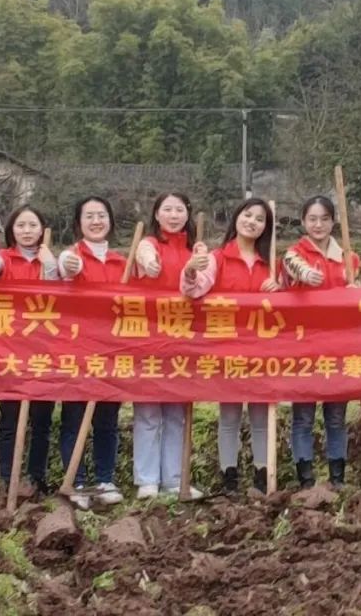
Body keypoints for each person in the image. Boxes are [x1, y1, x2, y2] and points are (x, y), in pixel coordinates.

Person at [182, 197, 280, 494]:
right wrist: (190, 270)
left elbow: (287, 304)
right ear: (236, 217)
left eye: (260, 219)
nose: (252, 222)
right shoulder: (217, 258)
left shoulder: (271, 263)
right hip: (227, 349)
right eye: (248, 215)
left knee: (262, 416)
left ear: (266, 227)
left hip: (263, 351)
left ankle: (263, 475)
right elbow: (194, 290)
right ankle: (229, 477)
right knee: (229, 416)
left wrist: (279, 289)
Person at [0, 205, 58, 497]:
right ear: (11, 230)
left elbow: (61, 293)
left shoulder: (51, 261)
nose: (27, 231)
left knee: (42, 421)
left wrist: (50, 266)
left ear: (42, 229)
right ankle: (10, 477)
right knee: (10, 418)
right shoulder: (4, 258)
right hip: (10, 354)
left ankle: (37, 477)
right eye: (21, 225)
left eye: (33, 225)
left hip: (44, 353)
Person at [282, 196, 359, 489]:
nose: (318, 225)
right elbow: (292, 267)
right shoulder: (294, 254)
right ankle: (305, 479)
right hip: (303, 347)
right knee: (303, 416)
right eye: (312, 219)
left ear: (333, 221)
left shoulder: (348, 258)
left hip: (340, 348)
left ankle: (337, 477)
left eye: (324, 219)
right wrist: (306, 274)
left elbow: (356, 302)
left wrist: (356, 291)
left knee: (336, 416)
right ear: (303, 221)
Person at [132, 192, 203, 499]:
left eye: (180, 210)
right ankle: (147, 479)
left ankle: (174, 479)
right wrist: (150, 263)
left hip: (184, 339)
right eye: (168, 209)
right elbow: (145, 256)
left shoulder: (194, 250)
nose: (174, 215)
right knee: (148, 410)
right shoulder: (148, 244)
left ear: (188, 214)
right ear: (157, 214)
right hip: (149, 337)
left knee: (177, 412)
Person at [57, 196, 126, 508]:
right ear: (79, 222)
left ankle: (105, 478)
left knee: (107, 419)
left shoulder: (121, 264)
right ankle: (76, 481)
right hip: (77, 351)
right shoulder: (72, 257)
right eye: (89, 216)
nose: (96, 221)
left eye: (102, 215)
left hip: (112, 352)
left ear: (110, 220)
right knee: (73, 418)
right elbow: (64, 269)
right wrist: (67, 266)